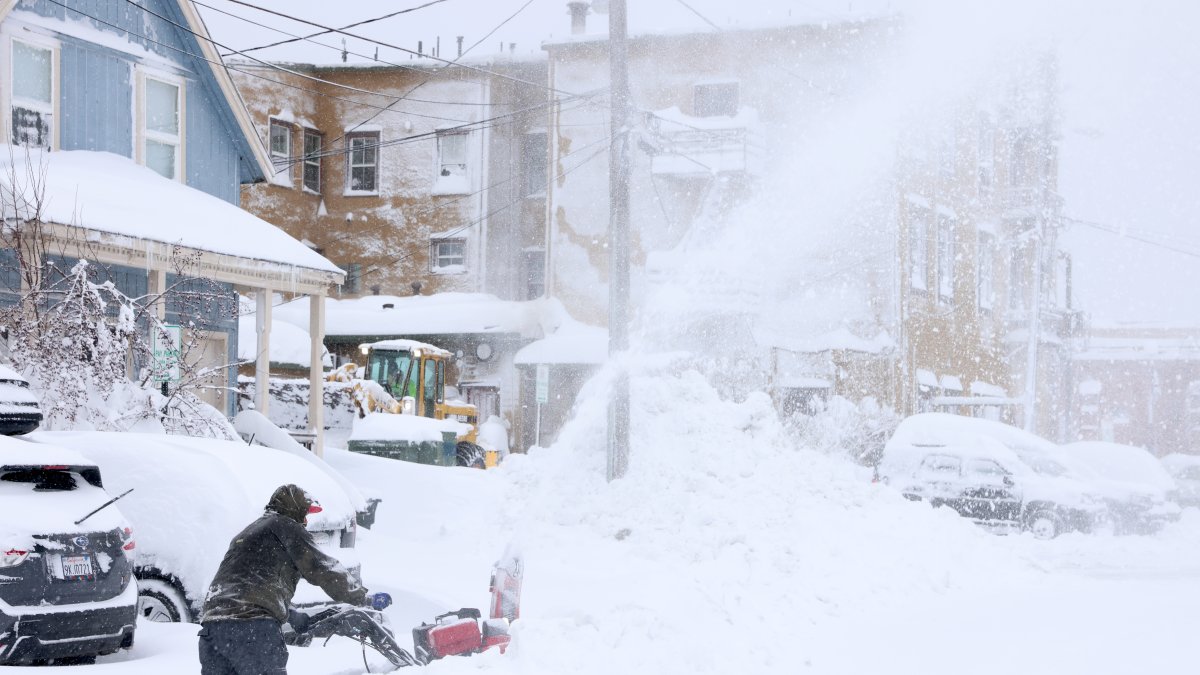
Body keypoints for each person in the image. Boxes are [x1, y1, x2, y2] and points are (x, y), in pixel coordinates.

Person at [198, 484, 388, 674]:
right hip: (253, 631)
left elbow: (248, 589)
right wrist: (363, 598)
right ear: (293, 509)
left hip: (212, 632)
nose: (305, 521)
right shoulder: (285, 526)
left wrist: (296, 618)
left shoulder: (247, 533)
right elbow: (323, 569)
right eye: (304, 514)